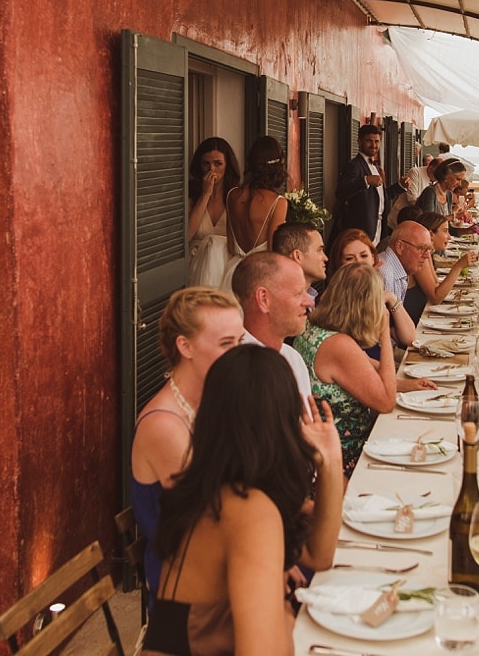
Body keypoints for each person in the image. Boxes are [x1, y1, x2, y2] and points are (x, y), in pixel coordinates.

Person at [141, 346, 343, 656]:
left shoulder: (221, 487)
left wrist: (330, 462)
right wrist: (286, 618)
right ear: (285, 423)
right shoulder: (248, 509)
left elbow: (319, 556)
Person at [131, 287, 246, 602]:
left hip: (227, 556)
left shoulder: (215, 399)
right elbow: (206, 522)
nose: (237, 354)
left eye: (240, 342)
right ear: (185, 346)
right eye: (226, 344)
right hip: (187, 582)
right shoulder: (164, 425)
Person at [294, 264, 432, 477]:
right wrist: (384, 331)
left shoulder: (314, 329)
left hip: (325, 453)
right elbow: (386, 402)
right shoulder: (338, 345)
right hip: (346, 459)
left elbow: (364, 364)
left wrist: (406, 385)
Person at [232, 252, 315, 402]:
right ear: (264, 299)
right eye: (298, 293)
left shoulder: (293, 358)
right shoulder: (233, 367)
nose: (309, 302)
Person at [220, 136, 289, 292]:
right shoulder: (277, 202)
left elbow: (231, 247)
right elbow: (273, 253)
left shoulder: (232, 195)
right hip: (259, 277)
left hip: (232, 274)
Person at [329, 228, 415, 347]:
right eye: (349, 258)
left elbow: (409, 338)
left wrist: (391, 298)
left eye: (364, 256)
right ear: (339, 264)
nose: (359, 262)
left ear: (373, 258)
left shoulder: (379, 287)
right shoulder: (334, 300)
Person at [402, 213, 476, 324]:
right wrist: (458, 267)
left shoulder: (427, 254)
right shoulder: (420, 257)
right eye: (445, 231)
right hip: (413, 321)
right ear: (431, 234)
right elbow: (436, 297)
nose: (449, 237)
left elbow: (436, 283)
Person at [186, 138, 241, 288]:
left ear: (227, 165)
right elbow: (187, 235)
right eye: (206, 164)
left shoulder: (236, 195)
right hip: (195, 267)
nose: (212, 169)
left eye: (218, 164)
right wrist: (205, 194)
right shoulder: (191, 194)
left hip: (225, 268)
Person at [333, 124, 386, 246]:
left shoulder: (376, 168)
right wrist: (365, 180)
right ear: (359, 142)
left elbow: (380, 197)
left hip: (377, 227)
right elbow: (341, 192)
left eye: (377, 141)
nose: (373, 145)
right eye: (369, 141)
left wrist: (400, 186)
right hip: (362, 229)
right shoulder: (354, 165)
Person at [376, 220, 434, 304]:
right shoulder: (384, 275)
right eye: (422, 248)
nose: (427, 256)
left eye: (429, 249)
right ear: (400, 246)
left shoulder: (396, 269)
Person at [272, 221, 327, 300]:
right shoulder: (278, 302)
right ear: (297, 256)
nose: (325, 258)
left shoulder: (314, 299)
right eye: (319, 250)